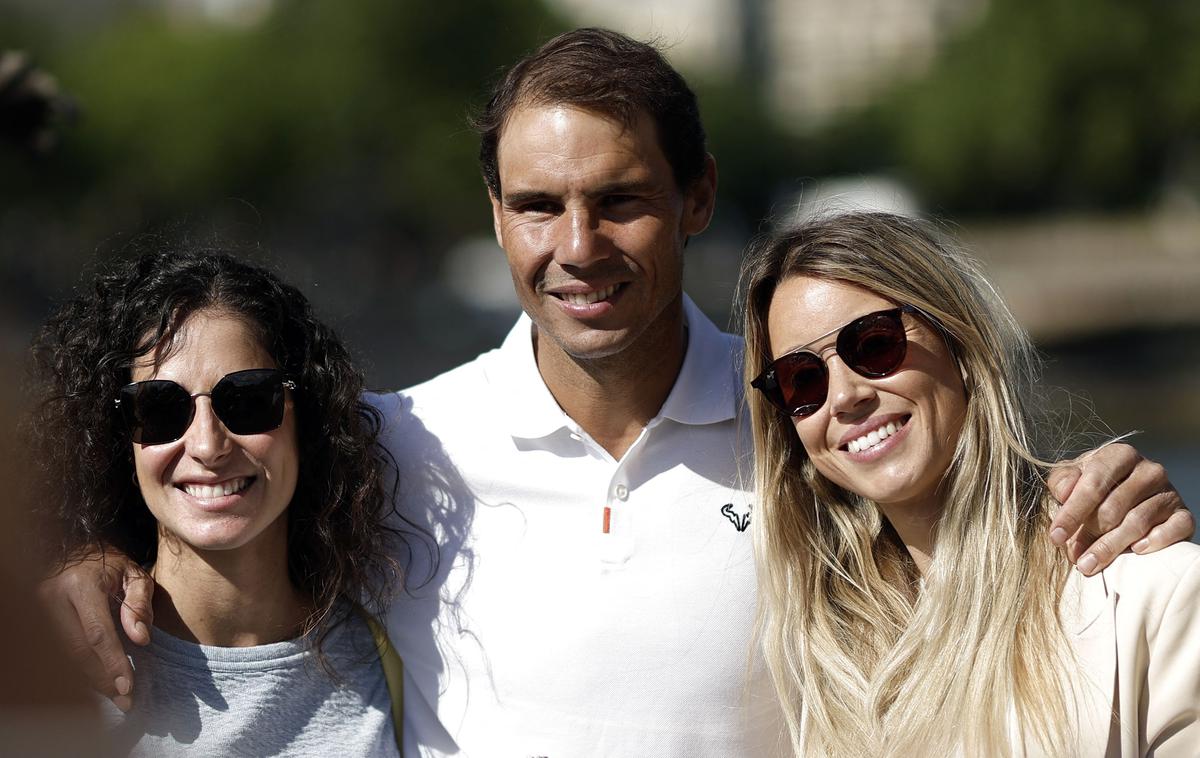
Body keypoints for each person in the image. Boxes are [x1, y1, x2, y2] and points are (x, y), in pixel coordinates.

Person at [39, 29, 1194, 756]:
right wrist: (93, 562)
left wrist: (1099, 489)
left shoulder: (802, 425)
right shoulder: (398, 441)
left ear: (696, 196)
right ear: (495, 215)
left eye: (621, 199)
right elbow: (215, 503)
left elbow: (953, 498)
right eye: (539, 205)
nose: (577, 245)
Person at [740, 211, 1200, 756]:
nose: (843, 397)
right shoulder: (810, 666)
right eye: (802, 380)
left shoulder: (1156, 595)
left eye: (873, 344)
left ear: (959, 340)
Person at [28, 247, 413, 755]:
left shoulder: (396, 651)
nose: (208, 445)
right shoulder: (55, 662)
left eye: (249, 399)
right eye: (160, 408)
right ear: (118, 439)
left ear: (306, 416)